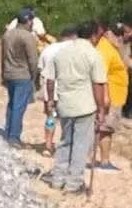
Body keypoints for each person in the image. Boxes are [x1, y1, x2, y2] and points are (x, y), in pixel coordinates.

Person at [41, 22, 108, 194]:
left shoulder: (62, 52)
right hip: (85, 106)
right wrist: (101, 109)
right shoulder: (93, 54)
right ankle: (74, 183)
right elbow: (98, 84)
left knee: (65, 142)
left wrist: (51, 100)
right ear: (93, 35)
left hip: (64, 104)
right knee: (81, 145)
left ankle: (58, 178)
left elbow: (50, 79)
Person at [0, 9, 39, 147]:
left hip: (9, 73)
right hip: (23, 75)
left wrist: (3, 75)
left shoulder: (7, 35)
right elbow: (33, 60)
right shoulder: (28, 37)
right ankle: (14, 137)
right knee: (19, 106)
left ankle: (8, 132)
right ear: (28, 21)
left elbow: (3, 56)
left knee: (11, 104)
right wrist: (34, 77)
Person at [94, 20, 128, 171]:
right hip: (111, 97)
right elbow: (102, 76)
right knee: (105, 129)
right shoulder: (105, 49)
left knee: (106, 129)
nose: (120, 38)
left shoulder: (112, 47)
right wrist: (105, 97)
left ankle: (102, 160)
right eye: (117, 34)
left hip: (117, 96)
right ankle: (104, 161)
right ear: (109, 33)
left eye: (122, 34)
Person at [37, 27, 76, 156]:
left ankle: (48, 145)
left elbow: (41, 69)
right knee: (68, 120)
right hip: (67, 89)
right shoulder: (74, 49)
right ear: (73, 36)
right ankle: (66, 148)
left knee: (51, 117)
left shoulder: (49, 48)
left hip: (50, 90)